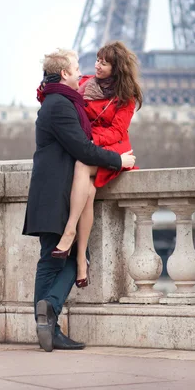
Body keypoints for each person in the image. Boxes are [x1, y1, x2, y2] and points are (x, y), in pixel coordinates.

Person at [22, 49, 136, 353]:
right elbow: (83, 150)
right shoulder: (60, 105)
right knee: (66, 259)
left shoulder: (58, 100)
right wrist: (119, 159)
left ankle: (47, 325)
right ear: (64, 74)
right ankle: (51, 313)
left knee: (52, 260)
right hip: (56, 193)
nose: (80, 71)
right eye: (75, 68)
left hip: (54, 192)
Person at [51, 41, 143, 287]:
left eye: (104, 62)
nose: (97, 65)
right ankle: (81, 261)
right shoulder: (85, 84)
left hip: (112, 149)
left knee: (82, 164)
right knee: (89, 193)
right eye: (98, 60)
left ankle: (69, 231)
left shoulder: (127, 97)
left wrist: (89, 139)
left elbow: (117, 131)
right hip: (90, 146)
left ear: (117, 68)